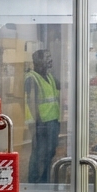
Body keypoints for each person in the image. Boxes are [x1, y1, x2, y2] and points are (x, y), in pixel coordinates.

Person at [24, 48, 61, 183]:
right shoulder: (32, 79)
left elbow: (62, 85)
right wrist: (38, 124)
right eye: (47, 57)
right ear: (38, 61)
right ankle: (35, 180)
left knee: (49, 153)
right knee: (40, 153)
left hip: (52, 121)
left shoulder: (49, 76)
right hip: (41, 123)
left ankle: (44, 180)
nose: (50, 60)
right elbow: (31, 103)